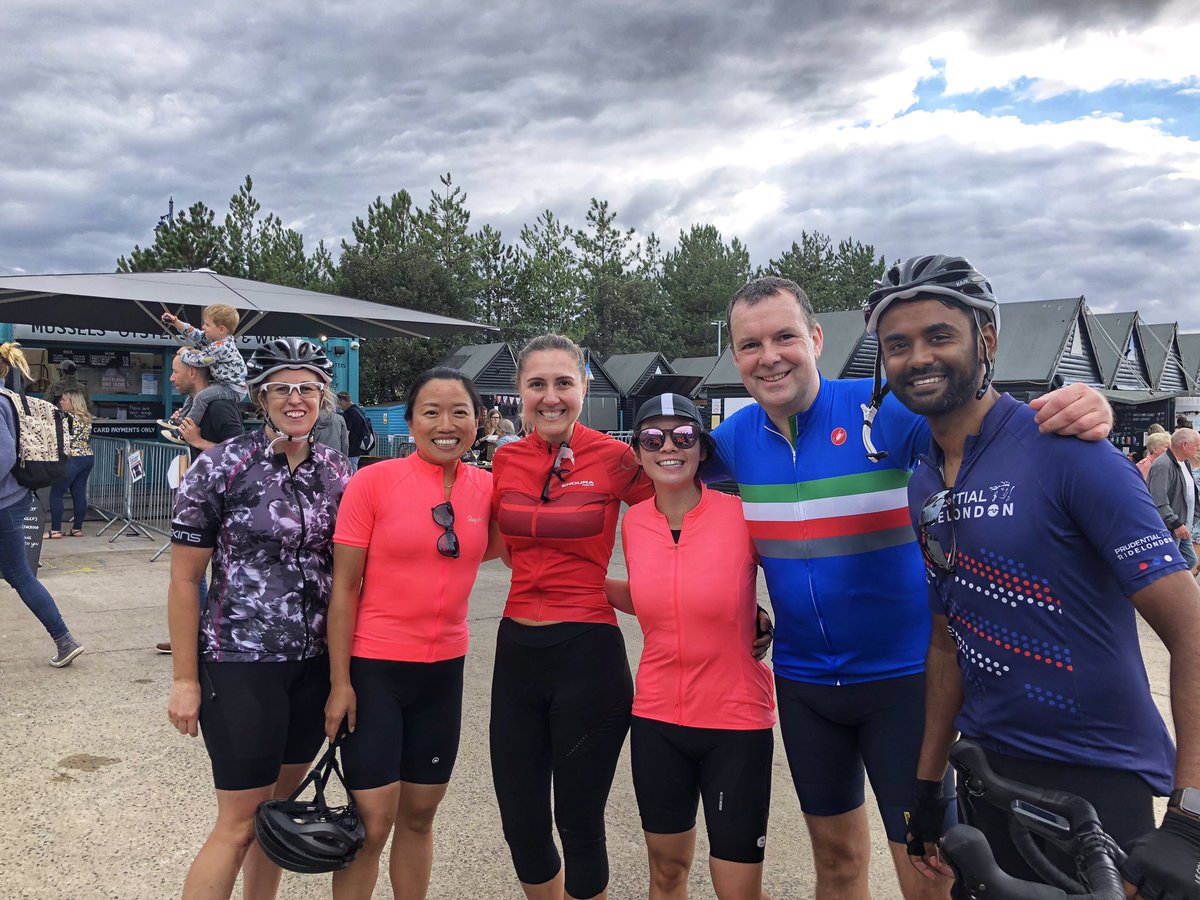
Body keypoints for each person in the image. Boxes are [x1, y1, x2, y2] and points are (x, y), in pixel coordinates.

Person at [709, 275, 1114, 900]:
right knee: (838, 860)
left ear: (816, 338)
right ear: (735, 357)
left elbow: (988, 433)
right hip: (806, 684)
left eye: (785, 336)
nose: (769, 357)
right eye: (750, 344)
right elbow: (659, 496)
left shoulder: (883, 411)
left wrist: (1079, 407)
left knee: (927, 870)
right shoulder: (732, 443)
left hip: (903, 684)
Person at [865, 254, 1200, 898]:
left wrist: (1189, 820)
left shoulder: (1069, 452)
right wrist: (928, 789)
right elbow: (946, 641)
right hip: (987, 775)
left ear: (986, 341)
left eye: (940, 335)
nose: (918, 358)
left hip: (1094, 788)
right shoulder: (926, 481)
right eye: (897, 345)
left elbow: (1190, 633)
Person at [165, 338, 351, 900]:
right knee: (239, 823)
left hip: (312, 665)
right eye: (282, 389)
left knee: (276, 818)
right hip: (239, 663)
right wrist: (185, 678)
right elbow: (182, 580)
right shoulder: (221, 465)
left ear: (323, 397)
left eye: (308, 389)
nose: (296, 400)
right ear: (260, 396)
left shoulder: (340, 472)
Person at [324, 367, 502, 900]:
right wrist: (340, 683)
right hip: (375, 668)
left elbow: (511, 549)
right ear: (410, 422)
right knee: (372, 822)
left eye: (459, 412)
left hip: (443, 671)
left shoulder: (489, 488)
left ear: (479, 421)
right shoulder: (373, 482)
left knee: (420, 817)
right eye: (431, 412)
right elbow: (344, 589)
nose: (446, 425)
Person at [489, 333, 654, 900]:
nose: (551, 396)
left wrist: (626, 590)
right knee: (521, 823)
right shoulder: (505, 457)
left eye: (564, 383)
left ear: (584, 386)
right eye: (538, 384)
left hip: (587, 655)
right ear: (520, 393)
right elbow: (497, 544)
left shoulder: (616, 458)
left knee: (580, 823)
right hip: (516, 652)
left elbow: (683, 515)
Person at [606, 393, 775, 900]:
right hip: (658, 718)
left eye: (683, 436)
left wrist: (766, 620)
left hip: (735, 722)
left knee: (737, 888)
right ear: (637, 452)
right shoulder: (633, 522)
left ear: (703, 448)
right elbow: (654, 597)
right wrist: (575, 581)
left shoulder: (743, 515)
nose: (668, 448)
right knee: (666, 872)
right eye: (653, 439)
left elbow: (802, 582)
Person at [155, 348, 244, 655]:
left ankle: (202, 634)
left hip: (224, 501)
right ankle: (191, 632)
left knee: (202, 571)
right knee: (189, 573)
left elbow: (241, 453)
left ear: (193, 373)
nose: (171, 377)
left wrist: (198, 443)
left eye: (176, 371)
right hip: (200, 496)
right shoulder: (194, 404)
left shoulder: (219, 405)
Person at [0, 343, 84, 668]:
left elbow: (5, 454)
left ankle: (65, 639)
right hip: (15, 498)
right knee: (19, 573)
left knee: (20, 574)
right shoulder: (10, 398)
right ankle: (64, 639)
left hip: (4, 503)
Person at [159, 306, 248, 444]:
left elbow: (197, 360)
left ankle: (184, 430)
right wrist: (177, 323)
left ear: (221, 329)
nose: (203, 327)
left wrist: (184, 352)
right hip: (223, 383)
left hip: (232, 388)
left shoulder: (220, 348)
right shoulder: (216, 342)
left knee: (201, 397)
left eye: (207, 324)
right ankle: (180, 419)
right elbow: (197, 336)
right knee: (193, 397)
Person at [1148, 428, 1200, 573]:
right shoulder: (1163, 465)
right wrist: (1175, 523)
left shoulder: (1185, 463)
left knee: (1189, 559)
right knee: (1170, 566)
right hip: (1171, 527)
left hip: (1182, 525)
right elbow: (1158, 499)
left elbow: (1189, 494)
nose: (1198, 449)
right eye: (1196, 445)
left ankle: (1177, 590)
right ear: (1184, 445)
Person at [48, 390, 94, 538]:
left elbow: (59, 438)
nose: (61, 402)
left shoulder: (65, 418)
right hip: (87, 457)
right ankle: (77, 528)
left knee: (56, 493)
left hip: (71, 458)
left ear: (73, 402)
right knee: (79, 493)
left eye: (64, 400)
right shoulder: (87, 418)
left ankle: (55, 530)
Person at [338, 392, 372, 472]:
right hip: (361, 447)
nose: (340, 407)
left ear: (342, 401)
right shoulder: (359, 410)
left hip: (352, 449)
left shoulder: (349, 413)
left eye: (339, 404)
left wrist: (343, 449)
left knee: (352, 472)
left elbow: (346, 433)